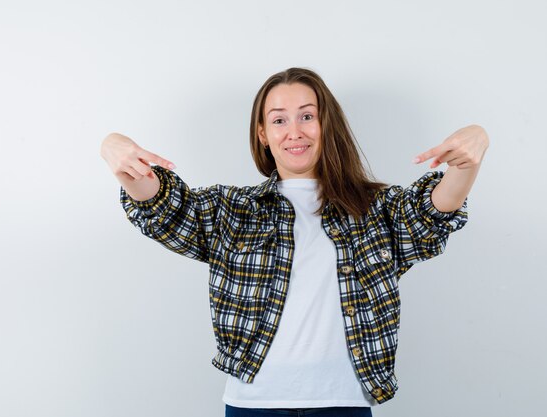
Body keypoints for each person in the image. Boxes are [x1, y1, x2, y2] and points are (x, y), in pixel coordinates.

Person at [100, 67, 489, 417]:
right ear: (263, 134)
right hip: (254, 406)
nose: (295, 131)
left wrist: (474, 148)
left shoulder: (375, 209)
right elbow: (161, 206)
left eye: (307, 116)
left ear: (326, 125)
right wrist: (113, 148)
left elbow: (435, 211)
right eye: (279, 120)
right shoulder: (232, 210)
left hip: (344, 404)